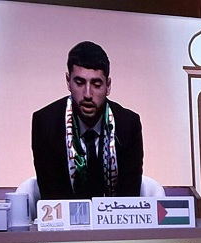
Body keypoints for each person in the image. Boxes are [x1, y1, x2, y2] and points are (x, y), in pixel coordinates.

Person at [32, 41, 144, 200]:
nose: (87, 94)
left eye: (96, 84)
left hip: (114, 215)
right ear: (68, 81)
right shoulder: (45, 123)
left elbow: (129, 196)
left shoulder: (128, 125)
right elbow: (51, 196)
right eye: (79, 83)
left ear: (108, 86)